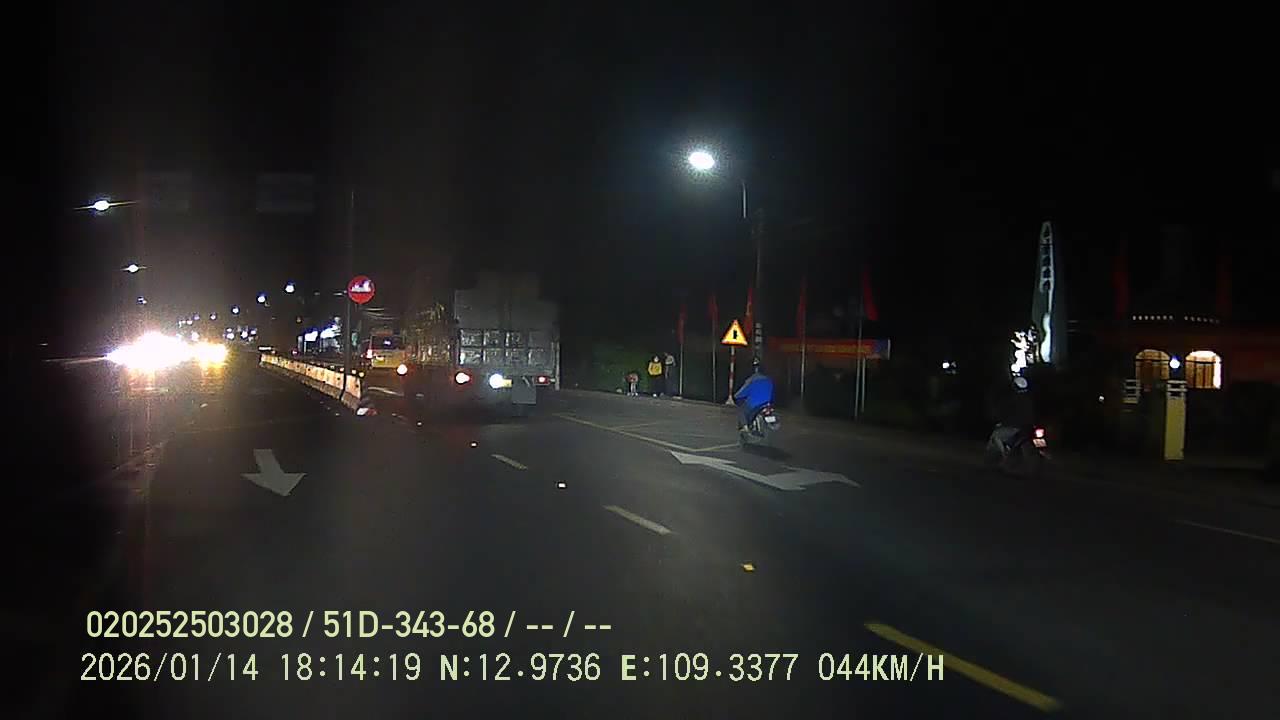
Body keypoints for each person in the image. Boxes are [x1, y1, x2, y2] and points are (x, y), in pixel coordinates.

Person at [734, 358, 775, 431]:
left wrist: (737, 395)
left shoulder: (752, 381)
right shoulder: (769, 380)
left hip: (755, 403)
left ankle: (745, 428)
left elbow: (743, 392)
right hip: (767, 403)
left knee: (741, 411)